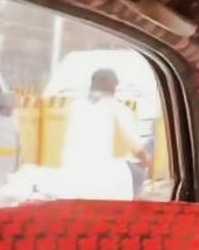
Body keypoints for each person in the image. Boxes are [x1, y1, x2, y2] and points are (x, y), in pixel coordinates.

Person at [61, 67, 145, 196]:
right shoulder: (119, 110)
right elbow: (136, 148)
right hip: (110, 185)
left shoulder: (73, 108)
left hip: (72, 182)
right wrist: (147, 164)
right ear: (112, 86)